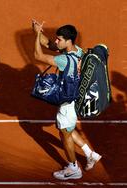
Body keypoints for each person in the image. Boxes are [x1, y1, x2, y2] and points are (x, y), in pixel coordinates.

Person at [32, 20, 102, 180]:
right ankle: (90, 154)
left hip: (68, 102)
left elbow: (38, 55)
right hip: (76, 97)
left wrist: (36, 35)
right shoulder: (78, 51)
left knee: (65, 133)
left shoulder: (64, 61)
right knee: (67, 129)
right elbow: (49, 44)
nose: (56, 41)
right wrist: (38, 31)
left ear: (68, 41)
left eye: (59, 39)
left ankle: (73, 168)